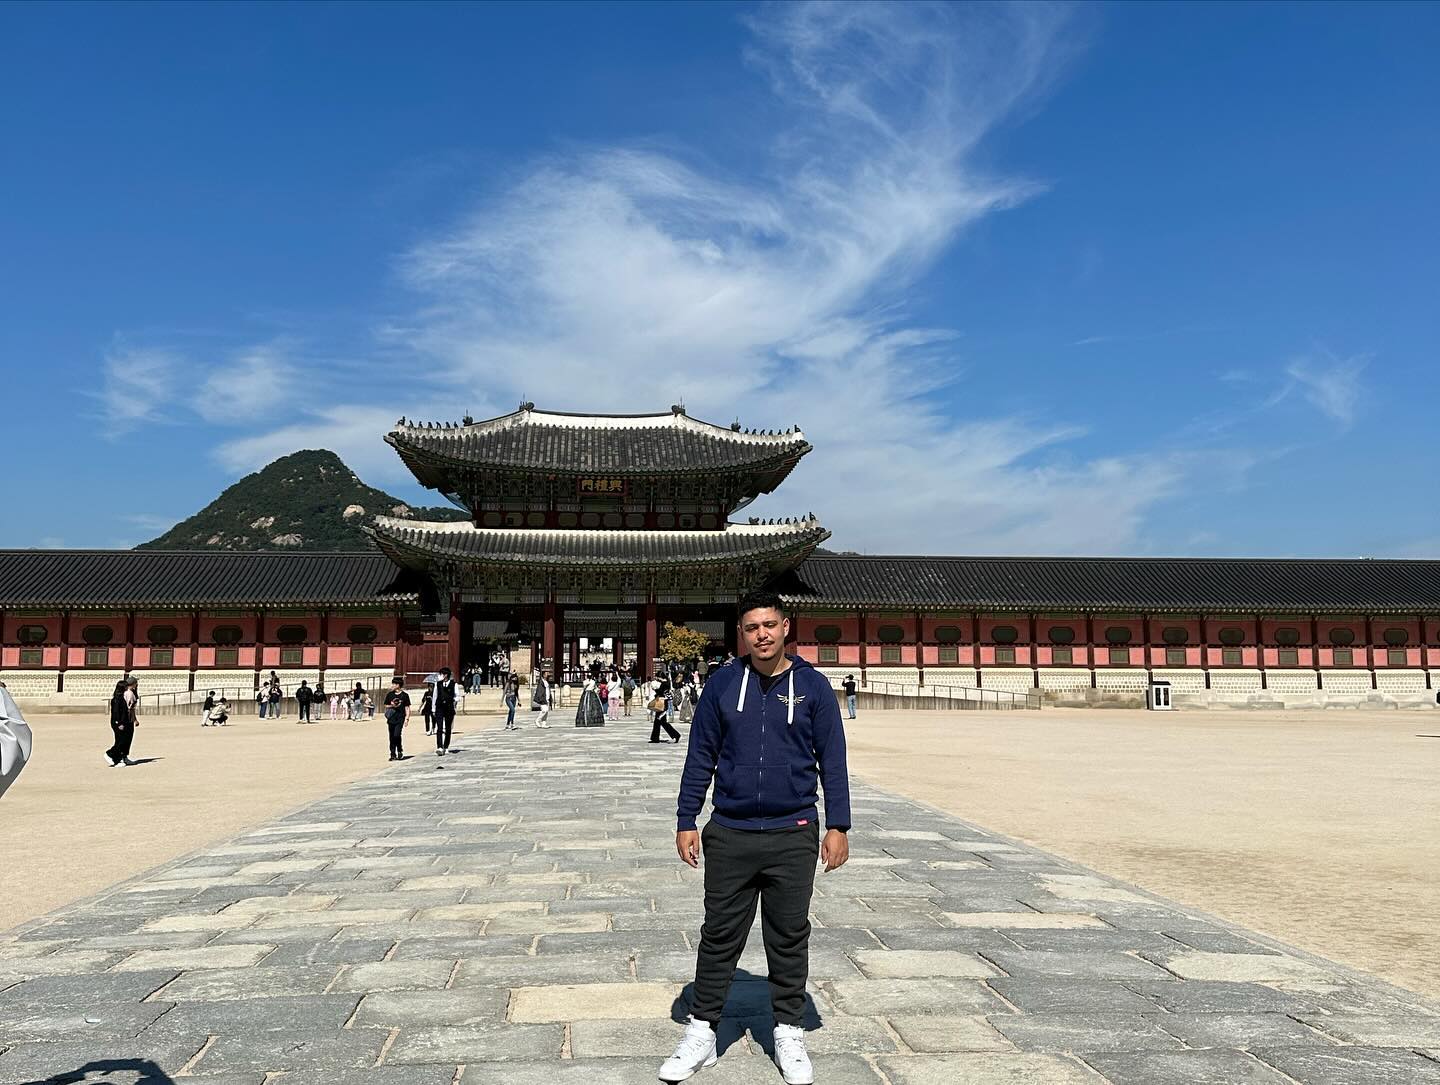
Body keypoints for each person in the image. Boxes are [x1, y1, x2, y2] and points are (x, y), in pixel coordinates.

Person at [661, 589, 851, 1085]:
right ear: (741, 634)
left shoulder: (814, 688)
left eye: (770, 625)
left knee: (789, 936)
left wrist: (839, 825)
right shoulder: (724, 685)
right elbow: (699, 756)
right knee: (720, 935)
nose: (762, 634)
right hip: (731, 831)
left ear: (786, 626)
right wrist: (687, 818)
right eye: (751, 627)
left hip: (794, 831)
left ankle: (789, 1030)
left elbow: (833, 760)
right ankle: (702, 1029)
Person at [105, 678, 137, 767]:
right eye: (126, 687)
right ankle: (110, 755)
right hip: (118, 723)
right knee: (120, 741)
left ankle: (122, 757)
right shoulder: (116, 699)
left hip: (123, 721)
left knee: (125, 739)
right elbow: (116, 713)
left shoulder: (121, 698)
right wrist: (119, 723)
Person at [382, 677, 410, 760]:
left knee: (397, 735)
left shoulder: (405, 695)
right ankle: (392, 754)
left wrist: (407, 718)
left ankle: (400, 750)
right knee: (391, 736)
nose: (392, 685)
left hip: (400, 718)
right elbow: (386, 705)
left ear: (398, 685)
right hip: (391, 718)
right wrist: (392, 705)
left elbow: (407, 707)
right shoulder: (390, 695)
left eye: (394, 684)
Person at [433, 666, 458, 755]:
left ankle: (446, 746)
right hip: (439, 707)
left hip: (449, 707)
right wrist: (433, 708)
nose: (440, 676)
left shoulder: (454, 684)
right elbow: (435, 696)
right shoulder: (438, 684)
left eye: (441, 674)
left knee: (448, 728)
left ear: (446, 675)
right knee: (439, 728)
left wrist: (454, 702)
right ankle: (439, 746)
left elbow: (456, 696)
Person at [649, 675, 679, 744]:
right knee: (659, 722)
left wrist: (655, 690)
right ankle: (655, 738)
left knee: (661, 722)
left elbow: (661, 693)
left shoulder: (664, 684)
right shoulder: (667, 683)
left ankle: (675, 735)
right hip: (663, 704)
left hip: (662, 704)